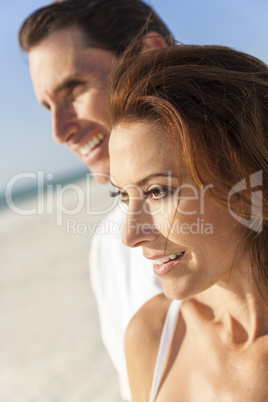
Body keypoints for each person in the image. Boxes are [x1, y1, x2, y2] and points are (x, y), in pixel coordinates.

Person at [18, 1, 174, 400]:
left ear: (149, 55)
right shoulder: (110, 245)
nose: (60, 130)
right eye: (49, 106)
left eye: (74, 88)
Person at [108, 44, 268, 401]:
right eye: (121, 195)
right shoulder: (152, 334)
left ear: (246, 184)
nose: (130, 235)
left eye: (157, 192)